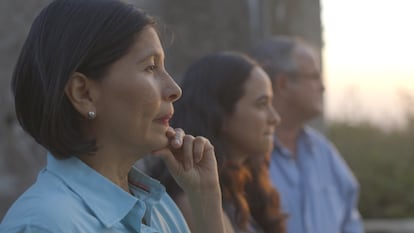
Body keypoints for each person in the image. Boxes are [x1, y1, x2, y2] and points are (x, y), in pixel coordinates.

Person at [0, 1, 227, 232]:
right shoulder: (45, 224)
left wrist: (205, 198)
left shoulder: (158, 208)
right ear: (84, 93)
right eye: (150, 67)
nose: (174, 89)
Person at [146, 52, 286, 233]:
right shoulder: (193, 200)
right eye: (261, 104)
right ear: (220, 114)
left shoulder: (248, 185)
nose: (275, 118)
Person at [250, 36, 364, 233]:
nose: (322, 86)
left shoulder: (324, 152)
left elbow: (350, 221)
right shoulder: (247, 155)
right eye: (314, 76)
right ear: (284, 83)